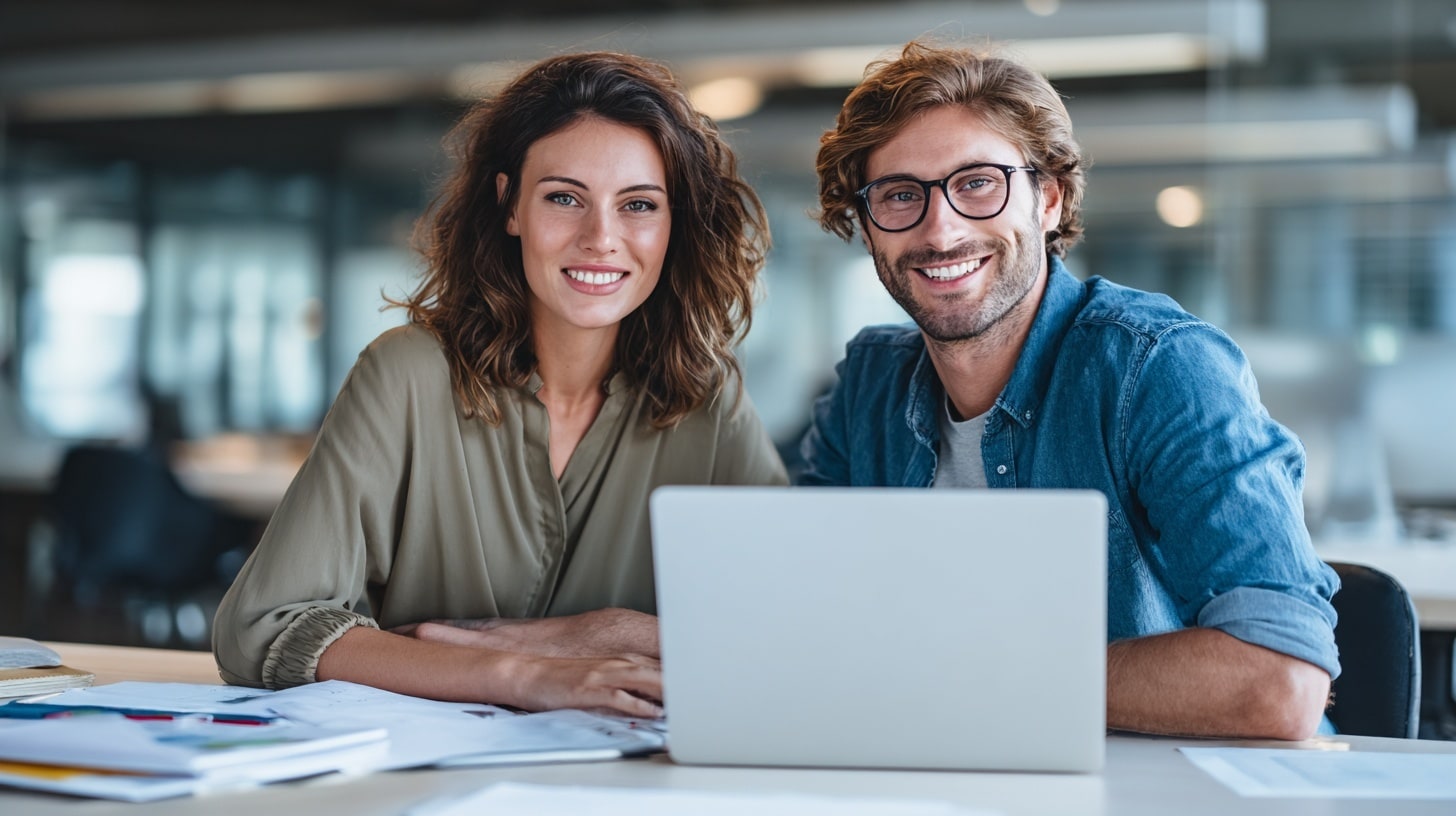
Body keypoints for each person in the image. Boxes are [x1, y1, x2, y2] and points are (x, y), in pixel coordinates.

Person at [213, 52, 786, 718]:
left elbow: (790, 632)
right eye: (565, 198)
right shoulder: (407, 375)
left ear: (672, 225)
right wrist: (521, 673)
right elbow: (260, 630)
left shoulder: (708, 402)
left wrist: (606, 634)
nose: (602, 238)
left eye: (639, 205)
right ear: (510, 205)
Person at [802, 40, 1339, 740]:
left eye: (977, 183)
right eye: (900, 195)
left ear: (1048, 200)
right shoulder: (870, 385)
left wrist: (971, 675)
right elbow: (807, 616)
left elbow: (1280, 681)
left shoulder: (1157, 368)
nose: (941, 229)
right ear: (868, 226)